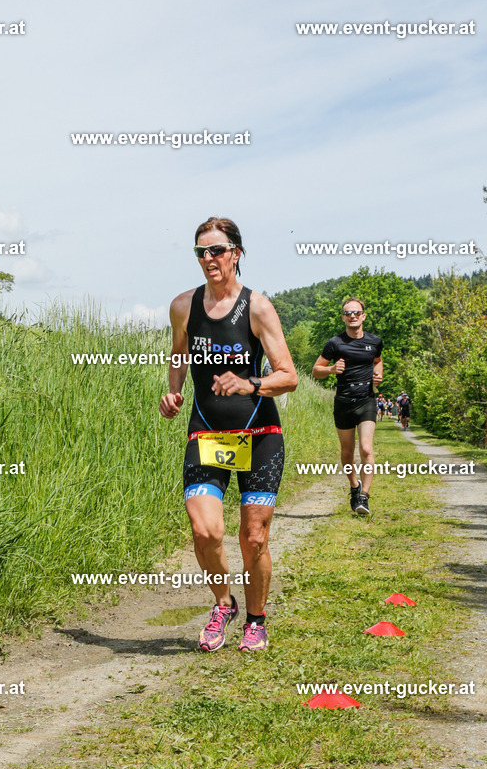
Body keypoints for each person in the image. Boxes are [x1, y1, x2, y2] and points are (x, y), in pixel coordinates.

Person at [159, 217, 297, 652]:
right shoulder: (183, 305)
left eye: (216, 250)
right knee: (205, 531)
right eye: (201, 252)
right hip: (208, 433)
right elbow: (179, 353)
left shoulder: (257, 307)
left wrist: (248, 383)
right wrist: (174, 391)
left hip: (259, 433)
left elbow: (288, 376)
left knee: (253, 536)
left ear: (236, 253)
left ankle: (256, 620)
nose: (208, 259)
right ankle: (224, 603)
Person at [311, 298, 383, 515]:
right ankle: (354, 487)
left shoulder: (375, 341)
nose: (352, 315)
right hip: (343, 402)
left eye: (356, 312)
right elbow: (316, 370)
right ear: (343, 317)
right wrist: (331, 369)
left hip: (366, 400)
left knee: (366, 449)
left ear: (363, 316)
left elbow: (377, 360)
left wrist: (378, 376)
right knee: (347, 453)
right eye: (348, 312)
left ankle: (364, 497)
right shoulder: (335, 343)